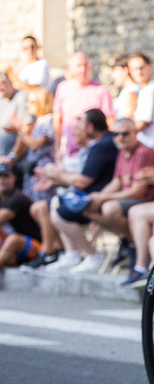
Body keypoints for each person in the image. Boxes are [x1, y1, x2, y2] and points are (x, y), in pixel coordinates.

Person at [48, 117, 154, 274]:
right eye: (116, 134)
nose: (120, 138)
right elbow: (116, 182)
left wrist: (103, 198)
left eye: (125, 133)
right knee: (91, 208)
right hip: (134, 199)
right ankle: (129, 241)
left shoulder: (143, 153)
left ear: (135, 133)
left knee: (109, 208)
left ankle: (131, 242)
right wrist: (97, 197)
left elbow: (138, 192)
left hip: (152, 199)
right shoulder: (122, 151)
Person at [35, 109, 119, 272]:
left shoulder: (103, 145)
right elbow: (82, 179)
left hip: (101, 197)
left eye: (80, 125)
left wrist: (58, 174)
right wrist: (55, 179)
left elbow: (82, 181)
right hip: (95, 194)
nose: (75, 131)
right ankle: (72, 254)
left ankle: (93, 255)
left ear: (90, 128)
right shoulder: (100, 144)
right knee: (56, 202)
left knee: (61, 213)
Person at [53, 52, 114, 159]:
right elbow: (57, 120)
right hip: (69, 152)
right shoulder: (63, 88)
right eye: (79, 66)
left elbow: (109, 121)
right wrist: (57, 149)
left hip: (94, 152)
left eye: (85, 65)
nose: (82, 70)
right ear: (70, 69)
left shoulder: (101, 90)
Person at [0, 162, 41, 268]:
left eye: (5, 177)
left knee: (14, 240)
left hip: (34, 247)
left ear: (13, 178)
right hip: (11, 252)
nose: (2, 180)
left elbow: (3, 216)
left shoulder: (17, 197)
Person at [127, 52, 154, 153]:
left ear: (150, 68)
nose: (139, 72)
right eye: (134, 69)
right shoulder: (149, 89)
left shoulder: (149, 90)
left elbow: (142, 123)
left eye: (141, 68)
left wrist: (124, 132)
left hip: (150, 147)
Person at [0, 73, 30, 158]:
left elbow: (26, 128)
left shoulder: (21, 97)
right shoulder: (1, 99)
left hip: (16, 158)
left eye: (3, 83)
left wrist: (13, 156)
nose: (1, 87)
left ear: (10, 82)